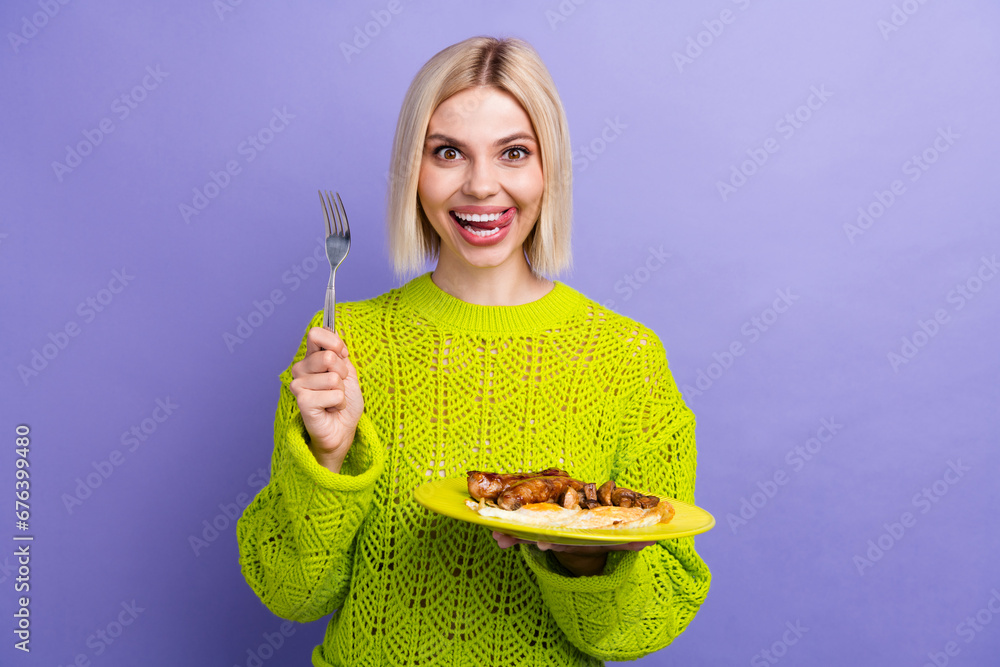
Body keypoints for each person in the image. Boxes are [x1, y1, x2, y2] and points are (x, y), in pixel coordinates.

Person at [237, 35, 711, 667]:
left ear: (550, 171)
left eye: (514, 152)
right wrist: (327, 461)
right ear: (414, 168)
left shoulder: (626, 356)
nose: (481, 185)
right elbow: (290, 594)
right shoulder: (341, 346)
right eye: (448, 152)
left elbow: (637, 633)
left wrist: (582, 553)